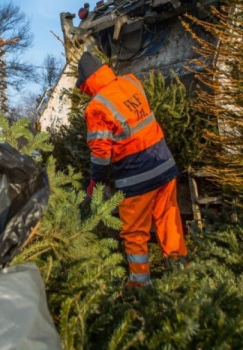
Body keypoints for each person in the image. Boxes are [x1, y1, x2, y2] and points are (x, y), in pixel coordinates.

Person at [76, 51, 187, 287]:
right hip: (164, 164)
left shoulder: (96, 108)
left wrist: (96, 183)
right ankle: (180, 276)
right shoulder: (130, 81)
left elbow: (101, 153)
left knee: (135, 233)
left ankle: (140, 285)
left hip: (137, 176)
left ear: (86, 83)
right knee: (169, 219)